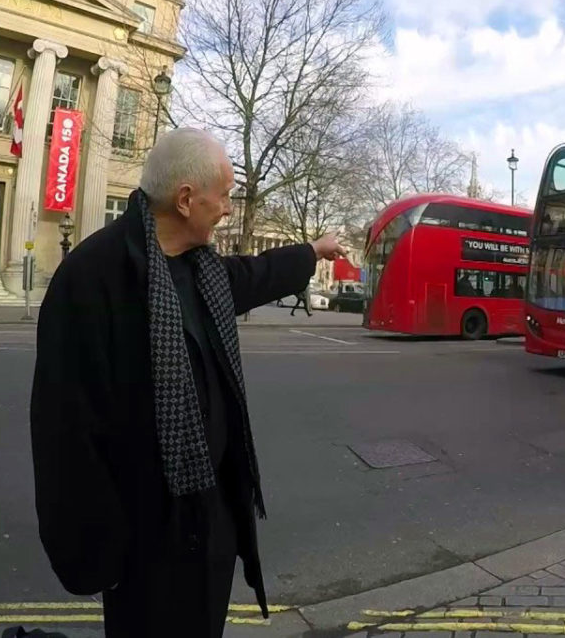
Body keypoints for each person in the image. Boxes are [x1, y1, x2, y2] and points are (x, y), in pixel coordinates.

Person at [29, 128, 345, 637]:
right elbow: (65, 431)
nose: (227, 208)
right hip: (145, 536)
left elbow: (258, 273)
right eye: (222, 196)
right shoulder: (92, 277)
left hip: (211, 519)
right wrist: (96, 550)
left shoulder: (205, 271)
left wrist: (313, 250)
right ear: (185, 200)